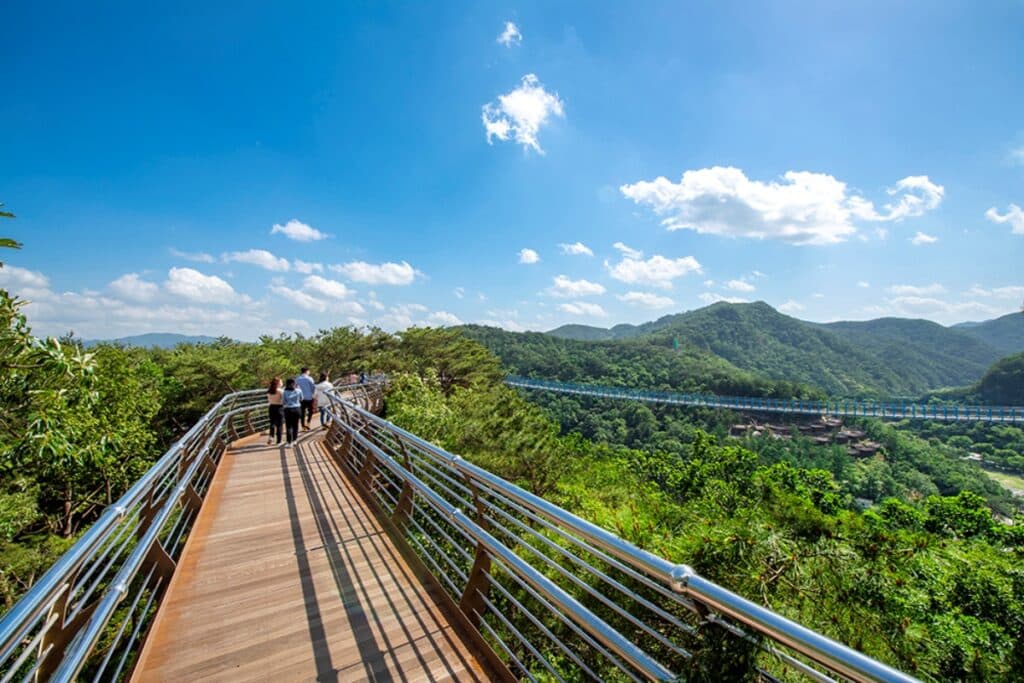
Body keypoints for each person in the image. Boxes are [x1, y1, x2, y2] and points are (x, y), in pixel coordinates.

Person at [282, 378, 303, 446]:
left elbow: (283, 401)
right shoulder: (298, 391)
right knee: (295, 425)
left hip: (288, 409)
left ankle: (289, 442)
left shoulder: (284, 392)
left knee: (288, 426)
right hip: (297, 409)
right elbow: (302, 399)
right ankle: (295, 440)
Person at [266, 377, 283, 445]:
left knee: (272, 423)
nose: (282, 383)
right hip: (279, 408)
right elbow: (284, 400)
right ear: (278, 383)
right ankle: (279, 441)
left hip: (271, 407)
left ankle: (271, 437)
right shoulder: (280, 391)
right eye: (281, 382)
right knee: (279, 425)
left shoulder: (269, 391)